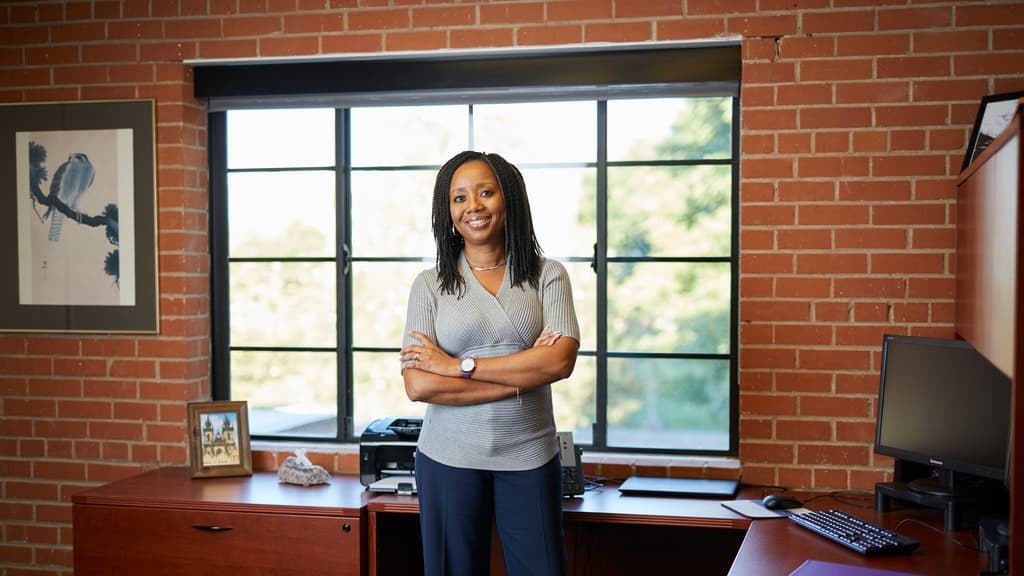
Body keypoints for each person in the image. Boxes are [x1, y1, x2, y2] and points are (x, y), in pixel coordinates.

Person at [399, 150, 581, 576]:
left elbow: (560, 361)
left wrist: (456, 366)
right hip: (446, 458)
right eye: (459, 198)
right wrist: (526, 374)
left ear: (509, 198)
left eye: (485, 192)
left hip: (529, 456)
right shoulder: (428, 285)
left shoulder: (547, 275)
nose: (473, 207)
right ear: (447, 212)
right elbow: (419, 387)